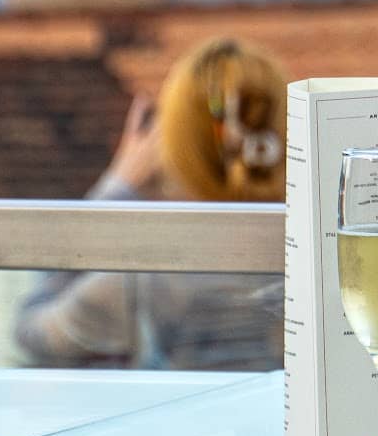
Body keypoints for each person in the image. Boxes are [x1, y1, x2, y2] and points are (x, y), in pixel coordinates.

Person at [15, 37, 285, 371]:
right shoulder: (321, 252)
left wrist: (116, 188)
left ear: (172, 142)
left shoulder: (141, 277)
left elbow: (32, 334)